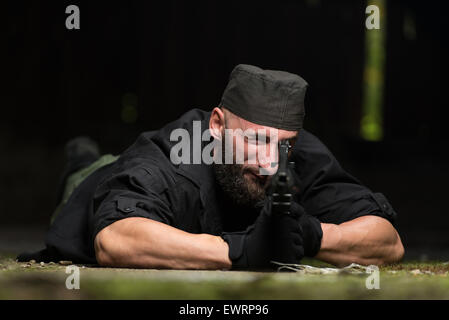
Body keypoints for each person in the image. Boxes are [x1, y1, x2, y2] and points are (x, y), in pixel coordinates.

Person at [18, 64, 404, 270]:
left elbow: (388, 240)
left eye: (283, 145)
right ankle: (82, 159)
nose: (270, 162)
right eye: (255, 140)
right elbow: (115, 239)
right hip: (99, 187)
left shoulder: (299, 153)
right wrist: (239, 251)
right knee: (88, 174)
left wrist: (314, 234)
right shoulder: (171, 156)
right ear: (217, 126)